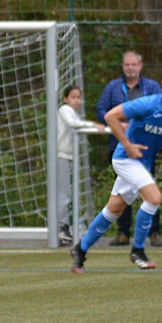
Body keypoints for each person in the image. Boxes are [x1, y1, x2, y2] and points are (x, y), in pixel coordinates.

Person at [71, 64, 162, 273]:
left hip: (142, 165)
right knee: (154, 198)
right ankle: (138, 250)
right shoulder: (147, 104)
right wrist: (127, 145)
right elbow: (110, 116)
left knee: (113, 210)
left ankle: (80, 250)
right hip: (125, 159)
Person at [95, 51, 162, 247]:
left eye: (133, 65)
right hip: (119, 147)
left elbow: (161, 110)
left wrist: (137, 125)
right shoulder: (113, 87)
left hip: (145, 149)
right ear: (123, 66)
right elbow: (101, 111)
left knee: (149, 190)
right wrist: (118, 123)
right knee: (122, 192)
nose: (130, 68)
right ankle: (123, 233)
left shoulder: (152, 87)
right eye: (127, 65)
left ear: (140, 66)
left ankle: (154, 232)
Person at [56, 85, 106, 246]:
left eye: (79, 97)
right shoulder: (64, 110)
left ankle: (65, 226)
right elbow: (72, 124)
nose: (77, 100)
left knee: (68, 192)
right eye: (73, 97)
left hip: (69, 156)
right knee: (63, 193)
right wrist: (93, 125)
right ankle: (61, 227)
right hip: (61, 156)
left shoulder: (73, 112)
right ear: (65, 99)